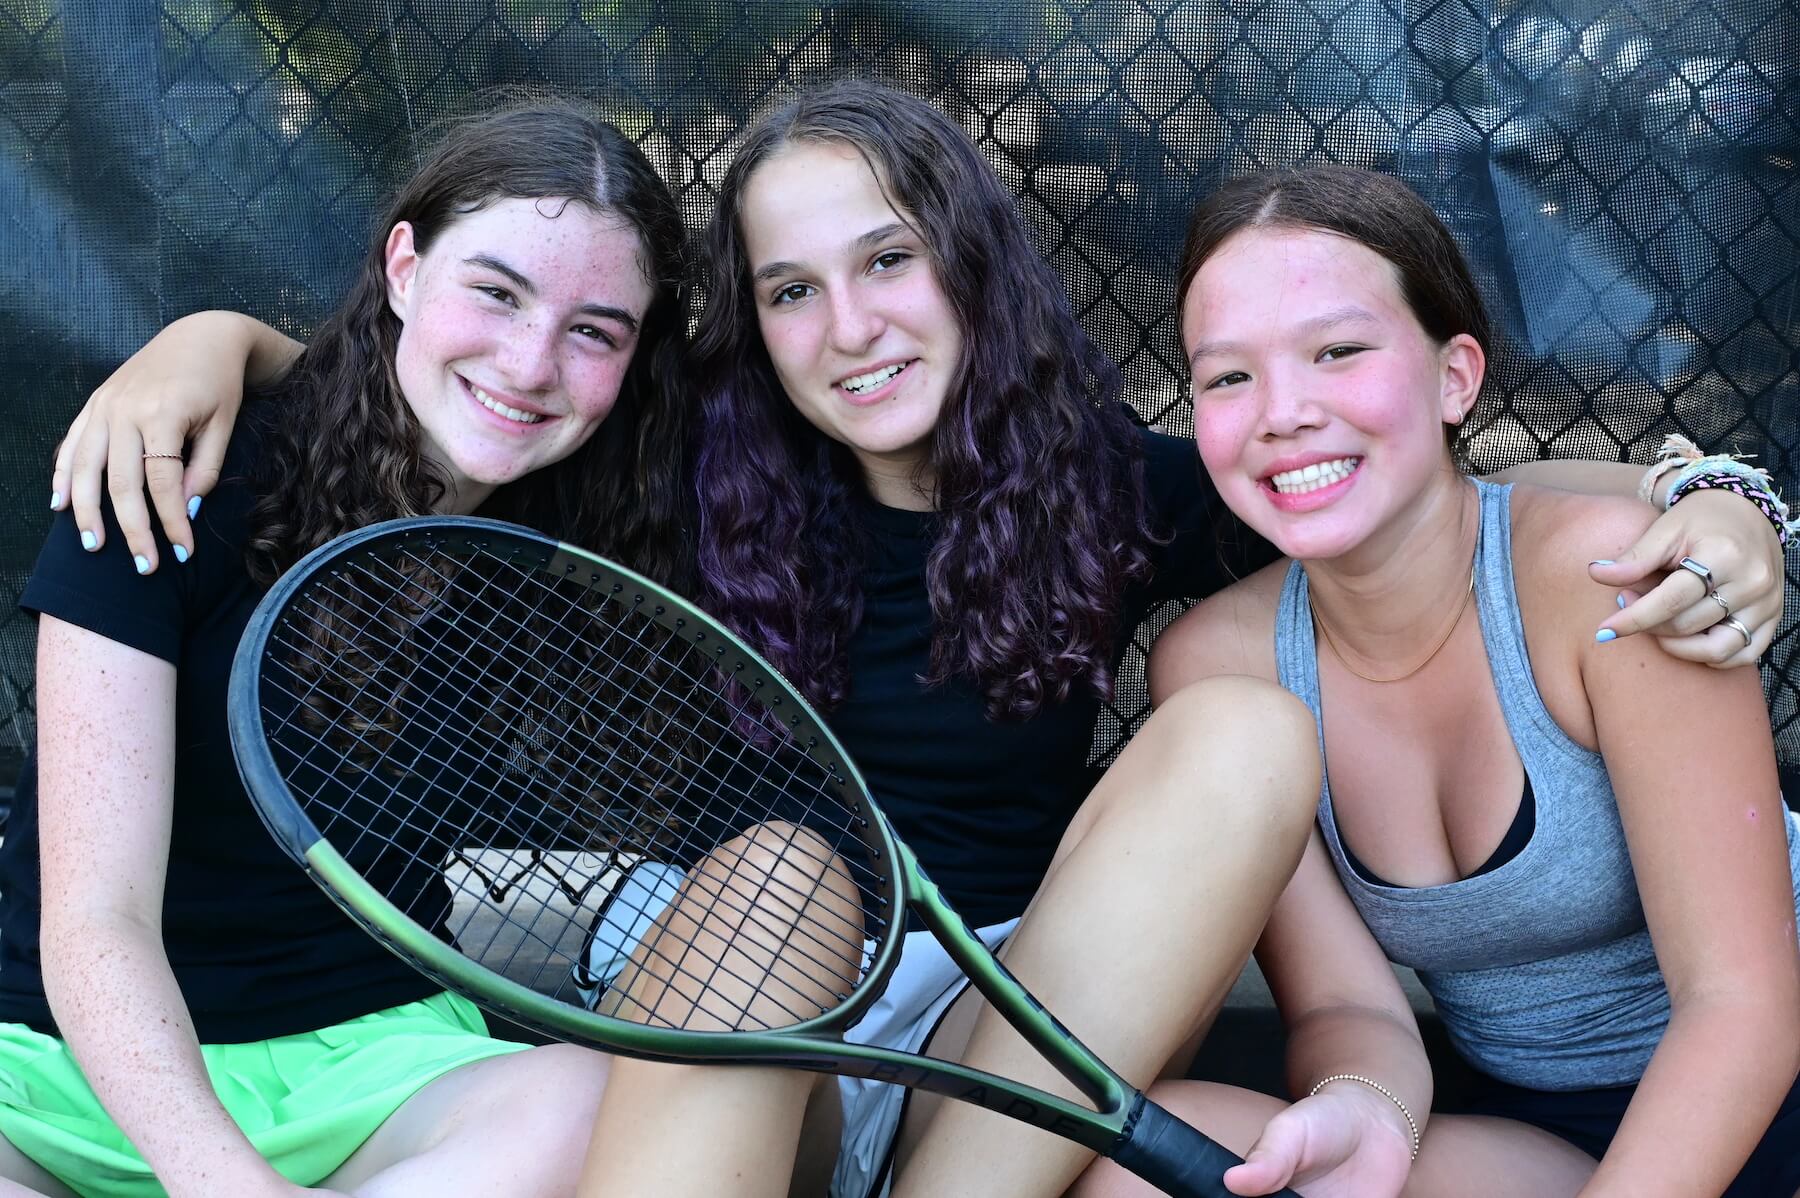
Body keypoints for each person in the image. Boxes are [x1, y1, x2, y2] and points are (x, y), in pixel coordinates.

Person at [47, 85, 1792, 1198]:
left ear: (967, 259)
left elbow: (1407, 471)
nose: (850, 323)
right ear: (750, 323)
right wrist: (212, 343)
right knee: (793, 867)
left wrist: (1714, 496)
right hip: (737, 1010)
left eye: (888, 258)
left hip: (1001, 1029)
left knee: (1243, 728)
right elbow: (453, 401)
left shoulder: (1111, 486)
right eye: (793, 287)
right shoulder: (664, 469)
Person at [0, 96, 700, 1198]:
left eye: (593, 330)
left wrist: (220, 333)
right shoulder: (171, 474)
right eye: (496, 292)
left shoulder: (570, 530)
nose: (528, 362)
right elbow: (97, 921)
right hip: (68, 1069)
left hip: (372, 1064)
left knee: (592, 1109)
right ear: (406, 269)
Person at [1072, 165, 1800, 1198]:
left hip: (1765, 1095)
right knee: (1152, 1154)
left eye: (1338, 351)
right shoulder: (1219, 666)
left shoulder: (1611, 580)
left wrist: (1724, 493)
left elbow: (1742, 1008)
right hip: (1536, 1137)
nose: (1282, 411)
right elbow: (1349, 1008)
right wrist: (1363, 1105)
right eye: (1228, 376)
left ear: (1455, 376)